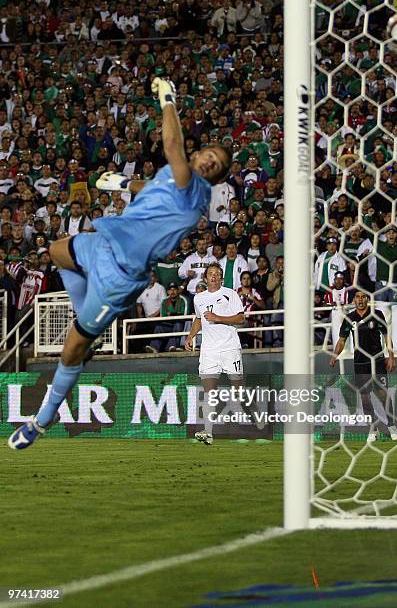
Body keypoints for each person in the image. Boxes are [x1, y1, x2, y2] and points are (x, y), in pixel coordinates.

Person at [9, 78, 232, 450]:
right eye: (211, 154)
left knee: (70, 349)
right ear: (201, 153)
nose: (210, 161)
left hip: (120, 276)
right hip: (103, 244)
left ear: (214, 178)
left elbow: (173, 144)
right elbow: (156, 188)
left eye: (217, 166)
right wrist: (125, 183)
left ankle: (41, 421)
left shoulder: (193, 188)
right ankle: (84, 318)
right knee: (57, 251)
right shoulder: (175, 180)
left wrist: (167, 99)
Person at [185, 263, 245, 445]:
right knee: (209, 392)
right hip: (209, 350)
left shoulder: (230, 294)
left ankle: (250, 425)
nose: (213, 276)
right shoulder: (199, 298)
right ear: (205, 277)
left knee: (238, 389)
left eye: (217, 274)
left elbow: (241, 318)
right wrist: (190, 336)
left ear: (221, 278)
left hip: (229, 347)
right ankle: (208, 432)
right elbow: (198, 319)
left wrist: (218, 318)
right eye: (210, 274)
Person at [330, 290, 397, 442]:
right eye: (357, 297)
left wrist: (391, 357)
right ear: (354, 300)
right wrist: (335, 356)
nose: (360, 300)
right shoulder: (350, 318)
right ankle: (372, 428)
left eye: (363, 297)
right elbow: (342, 340)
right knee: (365, 397)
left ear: (367, 299)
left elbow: (387, 337)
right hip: (360, 363)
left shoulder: (377, 314)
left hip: (378, 360)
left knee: (382, 394)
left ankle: (391, 425)